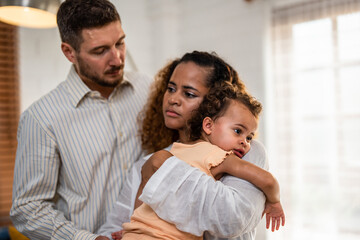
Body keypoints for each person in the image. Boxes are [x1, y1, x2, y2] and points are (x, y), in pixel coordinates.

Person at [10, 0, 151, 239]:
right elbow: (28, 209)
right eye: (100, 51)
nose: (117, 59)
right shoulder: (41, 119)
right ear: (69, 52)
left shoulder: (147, 89)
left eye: (120, 43)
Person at [98, 51, 275, 240]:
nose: (173, 99)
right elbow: (115, 227)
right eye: (171, 89)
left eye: (189, 94)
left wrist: (163, 167)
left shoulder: (246, 152)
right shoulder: (146, 163)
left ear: (215, 104)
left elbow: (230, 221)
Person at [120, 83, 285, 239]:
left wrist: (133, 226)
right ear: (208, 125)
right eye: (237, 131)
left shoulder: (175, 150)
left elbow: (146, 189)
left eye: (249, 137)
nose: (245, 142)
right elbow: (268, 180)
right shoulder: (219, 156)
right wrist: (274, 202)